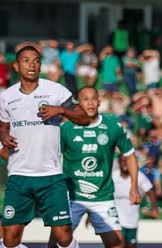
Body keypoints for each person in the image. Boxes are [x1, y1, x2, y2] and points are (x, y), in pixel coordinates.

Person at [0, 44, 92, 248]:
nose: (32, 65)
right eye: (26, 60)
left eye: (36, 61)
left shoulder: (55, 90)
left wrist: (60, 110)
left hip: (51, 177)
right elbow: (3, 125)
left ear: (40, 66)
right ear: (16, 66)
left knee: (64, 237)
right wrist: (4, 135)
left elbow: (85, 118)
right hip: (18, 176)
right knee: (10, 239)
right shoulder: (6, 97)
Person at [46, 86, 141, 248]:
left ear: (99, 102)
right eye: (85, 99)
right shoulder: (66, 129)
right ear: (78, 103)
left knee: (117, 244)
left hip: (103, 197)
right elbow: (52, 160)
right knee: (55, 244)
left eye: (93, 99)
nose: (90, 103)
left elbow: (130, 155)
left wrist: (134, 187)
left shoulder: (112, 126)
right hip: (72, 197)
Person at [113, 155, 159, 248]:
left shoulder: (139, 176)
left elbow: (150, 191)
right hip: (116, 221)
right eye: (123, 161)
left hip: (132, 221)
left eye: (127, 161)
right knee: (118, 245)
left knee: (131, 246)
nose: (125, 163)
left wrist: (155, 208)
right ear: (119, 162)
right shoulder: (113, 176)